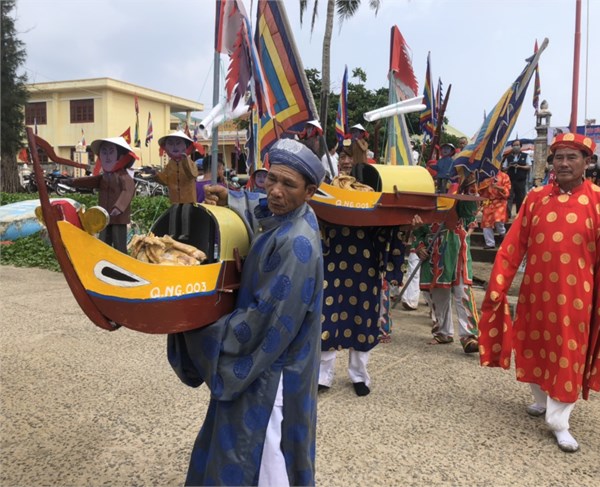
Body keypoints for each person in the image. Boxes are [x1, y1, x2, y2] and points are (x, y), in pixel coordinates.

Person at [167, 138, 325, 486]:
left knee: (261, 455)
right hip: (272, 363)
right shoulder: (295, 216)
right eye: (272, 179)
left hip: (273, 373)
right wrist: (233, 198)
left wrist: (197, 327)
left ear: (310, 190)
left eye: (289, 184)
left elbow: (264, 321)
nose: (276, 192)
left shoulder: (297, 245)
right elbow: (263, 209)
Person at [478, 133, 600, 453]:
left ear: (587, 162)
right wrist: (498, 284)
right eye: (559, 157)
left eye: (572, 157)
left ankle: (560, 422)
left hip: (576, 296)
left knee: (567, 352)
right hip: (535, 293)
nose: (564, 163)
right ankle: (542, 400)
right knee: (534, 344)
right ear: (551, 163)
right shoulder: (535, 198)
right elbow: (513, 245)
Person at [319, 141, 413, 395]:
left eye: (351, 158)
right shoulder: (325, 191)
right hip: (333, 264)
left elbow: (385, 227)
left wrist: (403, 223)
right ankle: (323, 377)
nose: (346, 162)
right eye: (342, 157)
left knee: (362, 318)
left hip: (365, 266)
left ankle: (359, 376)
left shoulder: (371, 193)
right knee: (328, 319)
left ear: (360, 160)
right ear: (337, 161)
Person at [424, 200, 480, 354]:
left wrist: (467, 182)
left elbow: (470, 210)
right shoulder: (427, 198)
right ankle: (443, 332)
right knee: (439, 294)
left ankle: (470, 335)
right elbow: (419, 231)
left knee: (463, 292)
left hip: (458, 250)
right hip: (436, 252)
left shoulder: (461, 197)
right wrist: (420, 247)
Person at [66, 136, 136, 253]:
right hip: (104, 217)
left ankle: (121, 266)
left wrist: (119, 207)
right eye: (104, 152)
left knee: (119, 245)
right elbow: (92, 181)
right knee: (104, 243)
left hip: (118, 218)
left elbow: (128, 190)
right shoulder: (104, 176)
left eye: (111, 152)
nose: (107, 157)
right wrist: (72, 182)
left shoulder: (123, 176)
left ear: (121, 156)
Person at [156, 131, 199, 239]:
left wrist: (185, 161)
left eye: (178, 143)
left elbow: (192, 174)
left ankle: (186, 233)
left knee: (185, 211)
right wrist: (155, 174)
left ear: (186, 146)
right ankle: (172, 233)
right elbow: (165, 179)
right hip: (175, 197)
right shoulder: (170, 164)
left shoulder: (190, 162)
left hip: (188, 197)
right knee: (174, 210)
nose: (174, 147)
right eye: (170, 144)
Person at [481, 167, 511, 249]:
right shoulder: (485, 176)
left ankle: (502, 233)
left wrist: (497, 187)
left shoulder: (504, 176)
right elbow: (480, 190)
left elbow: (507, 190)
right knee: (486, 223)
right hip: (488, 202)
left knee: (498, 219)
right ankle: (490, 243)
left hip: (500, 201)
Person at [503, 140, 532, 219]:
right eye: (514, 145)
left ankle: (519, 214)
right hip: (510, 180)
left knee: (521, 197)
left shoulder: (525, 156)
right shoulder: (508, 157)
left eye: (518, 145)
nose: (516, 147)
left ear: (520, 146)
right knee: (509, 197)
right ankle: (507, 214)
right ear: (512, 146)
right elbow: (504, 168)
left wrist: (519, 166)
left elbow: (529, 166)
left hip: (521, 180)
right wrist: (509, 166)